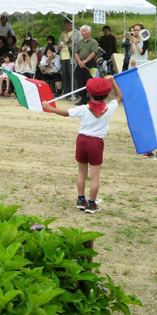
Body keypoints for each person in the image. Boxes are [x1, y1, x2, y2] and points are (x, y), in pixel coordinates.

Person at [42, 76, 121, 214]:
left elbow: (65, 113)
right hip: (96, 143)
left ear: (89, 94)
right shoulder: (109, 108)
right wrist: (113, 81)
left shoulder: (84, 108)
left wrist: (50, 108)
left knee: (81, 173)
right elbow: (119, 96)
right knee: (94, 176)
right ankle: (91, 204)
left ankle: (81, 200)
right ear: (107, 95)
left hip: (82, 140)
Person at [74, 25, 99, 105]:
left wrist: (84, 61)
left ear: (89, 32)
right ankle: (83, 98)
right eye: (82, 31)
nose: (83, 33)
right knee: (80, 80)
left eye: (85, 31)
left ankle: (90, 98)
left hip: (89, 63)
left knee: (89, 80)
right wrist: (79, 61)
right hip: (80, 63)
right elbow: (76, 53)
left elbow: (93, 53)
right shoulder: (79, 42)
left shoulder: (93, 42)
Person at [59, 20, 80, 95]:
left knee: (72, 75)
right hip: (63, 56)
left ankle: (75, 93)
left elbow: (80, 45)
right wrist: (59, 46)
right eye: (67, 23)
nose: (69, 24)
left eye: (70, 23)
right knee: (64, 75)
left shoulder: (77, 33)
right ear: (65, 24)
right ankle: (66, 92)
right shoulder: (63, 33)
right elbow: (60, 43)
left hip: (72, 58)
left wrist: (70, 43)